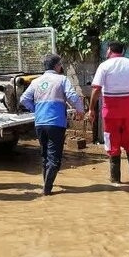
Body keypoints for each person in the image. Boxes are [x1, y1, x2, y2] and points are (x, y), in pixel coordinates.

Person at [20, 54, 84, 196]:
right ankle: (47, 190)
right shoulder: (62, 79)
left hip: (40, 123)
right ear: (56, 66)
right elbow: (72, 96)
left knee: (45, 156)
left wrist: (35, 109)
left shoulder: (36, 81)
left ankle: (46, 186)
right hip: (56, 123)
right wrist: (80, 110)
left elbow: (23, 99)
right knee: (54, 158)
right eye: (60, 64)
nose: (61, 67)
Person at [88, 42, 129, 184]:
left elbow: (96, 89)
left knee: (112, 144)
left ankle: (115, 180)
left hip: (110, 111)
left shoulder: (104, 66)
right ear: (123, 51)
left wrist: (91, 109)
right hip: (128, 110)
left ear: (109, 50)